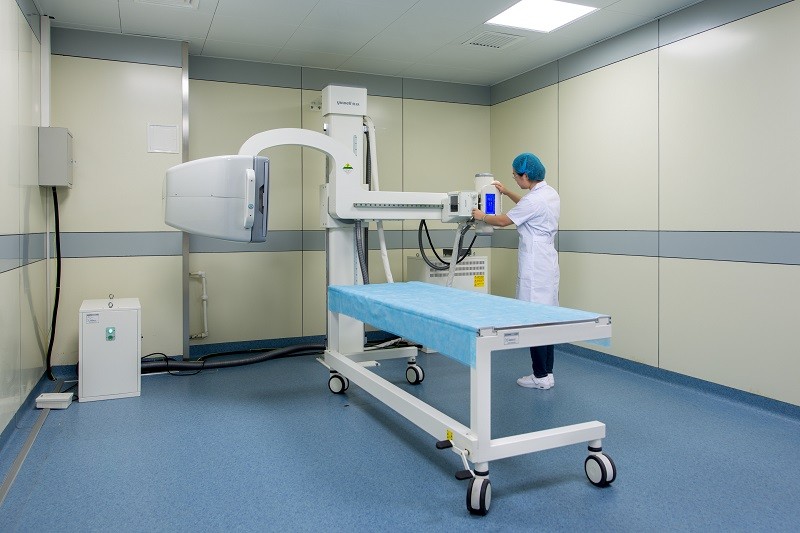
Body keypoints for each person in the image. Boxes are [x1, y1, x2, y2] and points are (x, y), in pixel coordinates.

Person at [471, 152, 560, 390]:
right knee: (547, 319)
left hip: (535, 262)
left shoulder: (534, 201)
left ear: (525, 176)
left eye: (514, 176)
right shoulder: (549, 194)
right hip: (547, 261)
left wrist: (481, 215)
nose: (514, 178)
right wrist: (507, 192)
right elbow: (528, 205)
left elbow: (503, 221)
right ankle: (547, 373)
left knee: (534, 320)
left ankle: (540, 376)